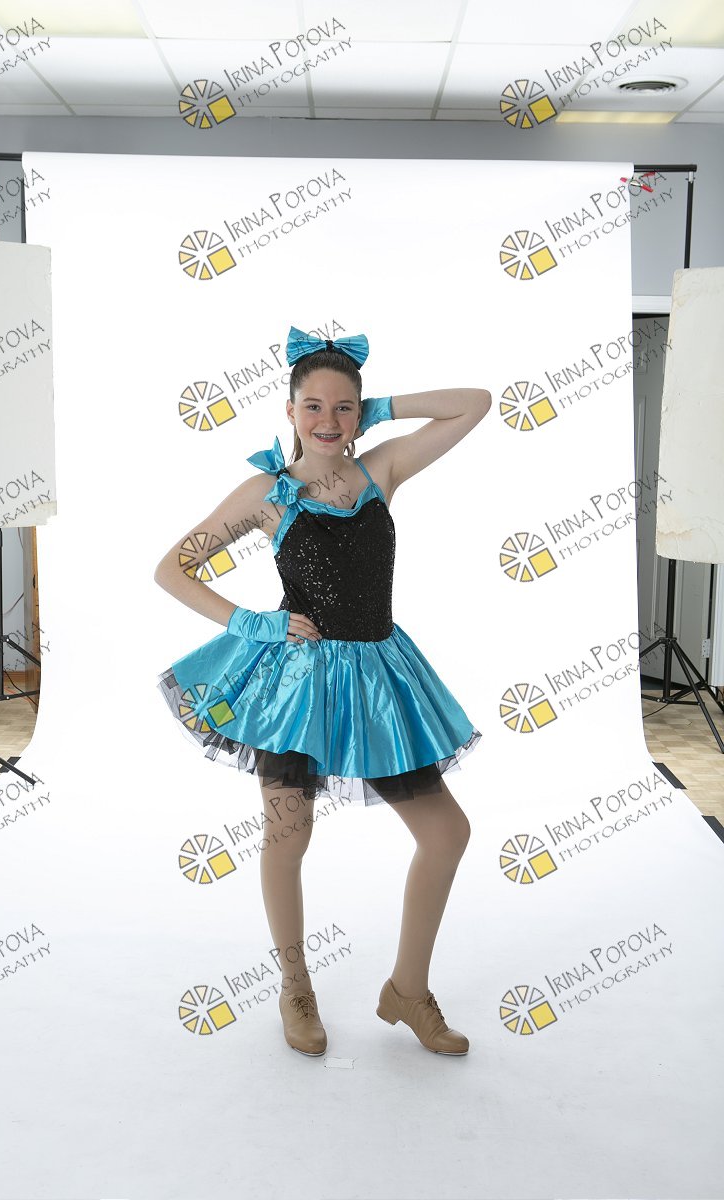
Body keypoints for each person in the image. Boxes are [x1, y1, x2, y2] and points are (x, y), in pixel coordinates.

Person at [154, 324, 490, 1058]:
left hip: (379, 683)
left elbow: (475, 402)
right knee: (288, 834)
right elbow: (172, 568)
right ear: (289, 410)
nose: (329, 421)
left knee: (446, 833)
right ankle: (295, 985)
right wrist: (251, 622)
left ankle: (407, 990)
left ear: (360, 413)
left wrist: (386, 407)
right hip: (297, 687)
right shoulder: (266, 494)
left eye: (345, 407)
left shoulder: (382, 470)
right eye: (314, 406)